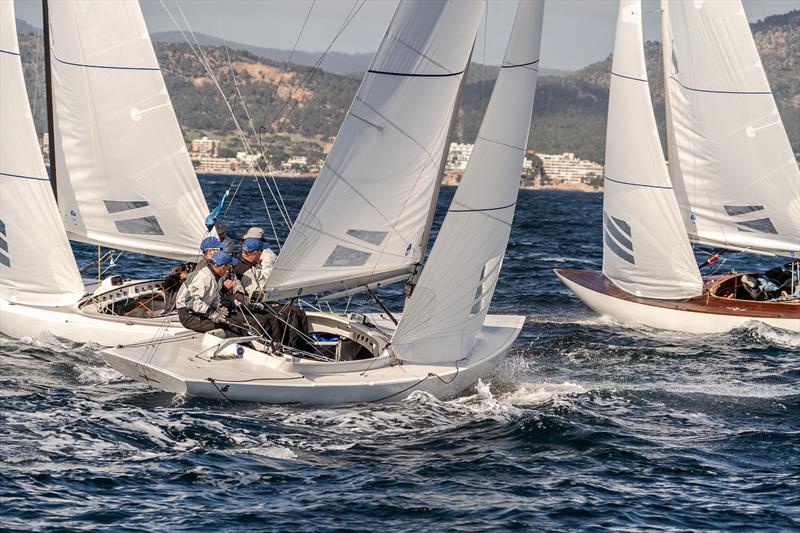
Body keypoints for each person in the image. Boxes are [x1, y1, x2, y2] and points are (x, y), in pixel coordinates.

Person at [234, 237, 311, 350]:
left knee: (299, 312)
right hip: (251, 304)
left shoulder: (244, 261)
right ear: (255, 253)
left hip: (259, 300)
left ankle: (304, 344)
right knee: (289, 313)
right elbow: (254, 295)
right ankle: (292, 347)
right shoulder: (246, 271)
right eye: (260, 253)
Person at [175, 251, 248, 337]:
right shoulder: (203, 277)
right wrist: (211, 312)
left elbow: (214, 296)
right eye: (229, 266)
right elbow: (190, 301)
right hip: (189, 316)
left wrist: (218, 307)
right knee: (228, 327)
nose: (230, 268)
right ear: (222, 267)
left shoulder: (216, 277)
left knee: (235, 322)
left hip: (200, 312)